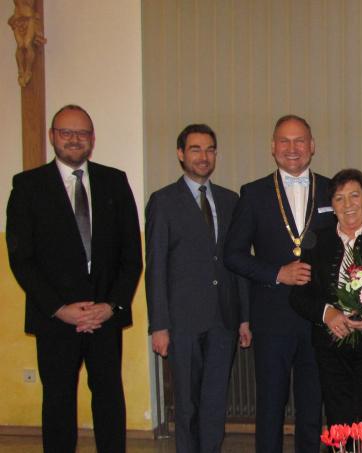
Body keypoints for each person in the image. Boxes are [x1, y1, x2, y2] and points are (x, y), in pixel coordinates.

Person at [6, 104, 142, 453]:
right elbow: (22, 260)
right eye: (66, 132)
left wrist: (111, 306)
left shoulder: (114, 181)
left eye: (82, 133)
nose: (74, 139)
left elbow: (132, 257)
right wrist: (59, 308)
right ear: (53, 136)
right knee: (58, 402)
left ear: (92, 139)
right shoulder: (28, 186)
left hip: (104, 317)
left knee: (109, 399)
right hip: (55, 318)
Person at [224, 115, 335, 452]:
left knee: (312, 406)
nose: (292, 148)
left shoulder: (333, 190)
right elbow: (233, 254)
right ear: (273, 147)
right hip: (272, 317)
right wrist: (277, 273)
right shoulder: (253, 193)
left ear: (312, 146)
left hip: (319, 316)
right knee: (270, 406)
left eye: (299, 140)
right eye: (284, 141)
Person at [145, 124, 252, 453]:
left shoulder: (230, 200)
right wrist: (159, 325)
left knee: (215, 403)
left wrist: (244, 317)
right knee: (187, 405)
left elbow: (238, 262)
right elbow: (156, 267)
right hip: (182, 322)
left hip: (223, 320)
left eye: (209, 149)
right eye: (195, 149)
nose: (203, 156)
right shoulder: (163, 201)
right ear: (181, 154)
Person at [290, 168, 362, 438]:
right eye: (339, 198)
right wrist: (326, 313)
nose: (348, 204)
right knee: (339, 424)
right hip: (331, 351)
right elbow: (298, 296)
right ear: (332, 206)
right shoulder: (317, 240)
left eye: (355, 195)